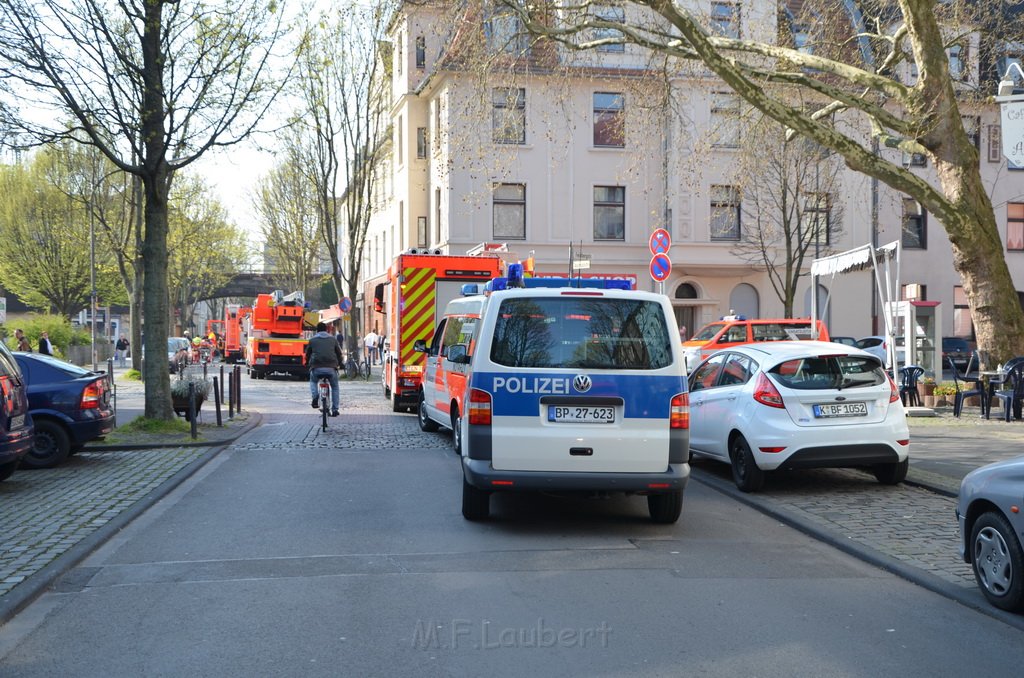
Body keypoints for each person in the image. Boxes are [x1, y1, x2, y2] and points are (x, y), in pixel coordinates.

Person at [305, 322, 343, 416]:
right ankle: (335, 409)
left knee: (313, 381)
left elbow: (308, 354)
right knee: (334, 387)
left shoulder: (312, 340)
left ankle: (315, 396)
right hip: (331, 368)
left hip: (316, 367)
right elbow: (339, 353)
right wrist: (339, 363)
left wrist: (307, 363)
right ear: (326, 329)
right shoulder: (333, 339)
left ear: (317, 330)